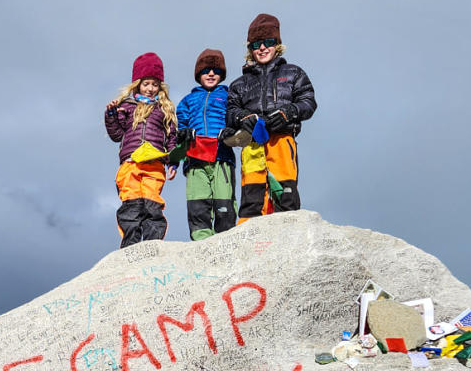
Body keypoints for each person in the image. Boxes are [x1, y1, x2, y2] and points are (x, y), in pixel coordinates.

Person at [225, 13, 317, 223]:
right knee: (252, 195)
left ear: (278, 44)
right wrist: (243, 118)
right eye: (256, 44)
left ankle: (289, 238)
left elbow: (308, 101)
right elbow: (230, 112)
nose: (262, 48)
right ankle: (250, 244)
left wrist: (288, 113)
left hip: (282, 140)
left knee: (285, 192)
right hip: (253, 144)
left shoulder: (293, 72)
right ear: (250, 49)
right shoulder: (240, 83)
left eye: (268, 42)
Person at [105, 52, 178, 247]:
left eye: (155, 84)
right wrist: (111, 115)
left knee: (152, 204)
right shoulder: (127, 107)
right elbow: (117, 135)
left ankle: (153, 244)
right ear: (137, 84)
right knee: (131, 203)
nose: (150, 89)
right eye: (146, 84)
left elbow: (172, 137)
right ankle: (131, 245)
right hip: (130, 163)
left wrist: (173, 161)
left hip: (154, 164)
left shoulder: (164, 109)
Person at [175, 49, 237, 240]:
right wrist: (182, 133)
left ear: (222, 74)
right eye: (206, 70)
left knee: (224, 201)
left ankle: (225, 239)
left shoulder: (228, 96)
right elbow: (179, 123)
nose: (211, 74)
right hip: (195, 159)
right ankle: (201, 241)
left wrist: (231, 130)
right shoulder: (188, 100)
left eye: (216, 70)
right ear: (198, 74)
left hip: (222, 156)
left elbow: (236, 117)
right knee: (198, 203)